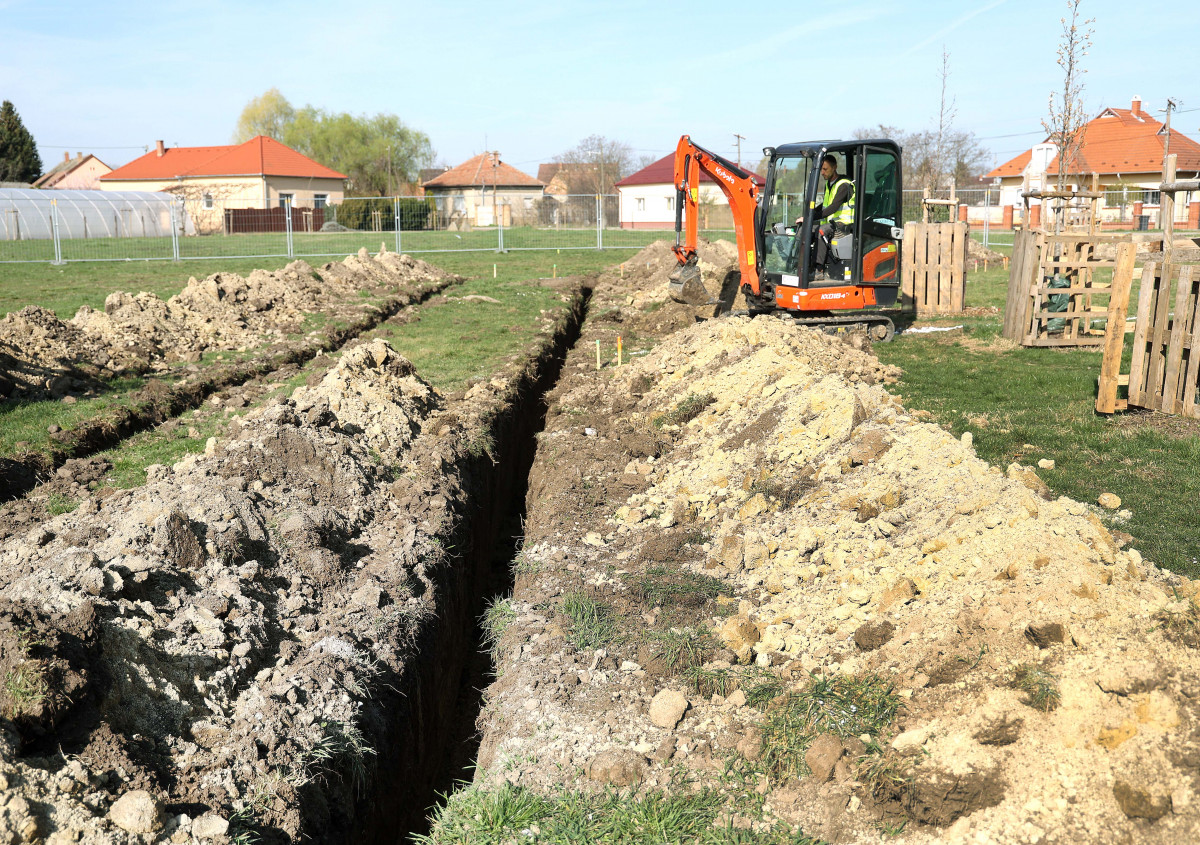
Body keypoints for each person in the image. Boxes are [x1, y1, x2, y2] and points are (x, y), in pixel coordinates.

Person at [796, 154, 855, 280]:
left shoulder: (844, 185)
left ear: (835, 167)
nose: (822, 172)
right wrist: (808, 215)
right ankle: (801, 265)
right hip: (832, 223)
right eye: (821, 169)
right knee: (804, 229)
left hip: (844, 224)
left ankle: (818, 270)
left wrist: (810, 218)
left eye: (825, 169)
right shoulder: (829, 184)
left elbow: (833, 207)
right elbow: (825, 205)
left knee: (821, 231)